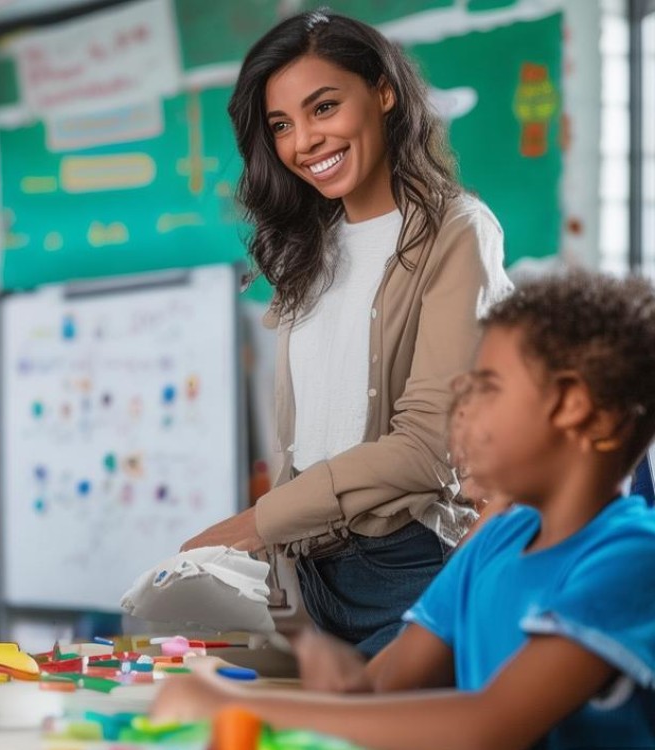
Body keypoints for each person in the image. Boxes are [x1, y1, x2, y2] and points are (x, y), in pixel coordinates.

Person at [154, 271, 655, 750]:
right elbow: (387, 685)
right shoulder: (497, 541)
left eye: (488, 386)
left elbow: (488, 728)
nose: (463, 410)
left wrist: (236, 707)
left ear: (573, 406)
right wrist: (332, 672)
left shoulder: (631, 556)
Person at [180, 10, 511, 655]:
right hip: (305, 578)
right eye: (281, 126)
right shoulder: (309, 246)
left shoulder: (456, 231)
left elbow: (424, 446)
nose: (304, 141)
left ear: (383, 92)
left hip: (408, 569)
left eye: (323, 107)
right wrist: (266, 554)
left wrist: (254, 524)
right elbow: (305, 444)